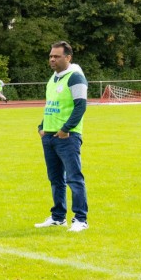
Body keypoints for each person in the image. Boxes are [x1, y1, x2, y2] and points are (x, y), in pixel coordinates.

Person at [35, 41, 88, 231]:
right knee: (56, 179)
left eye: (56, 56)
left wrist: (66, 129)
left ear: (68, 57)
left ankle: (80, 219)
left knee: (74, 178)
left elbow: (81, 106)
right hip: (49, 136)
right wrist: (41, 127)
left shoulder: (75, 77)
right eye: (51, 56)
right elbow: (51, 105)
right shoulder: (53, 78)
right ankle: (58, 217)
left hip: (67, 137)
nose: (52, 59)